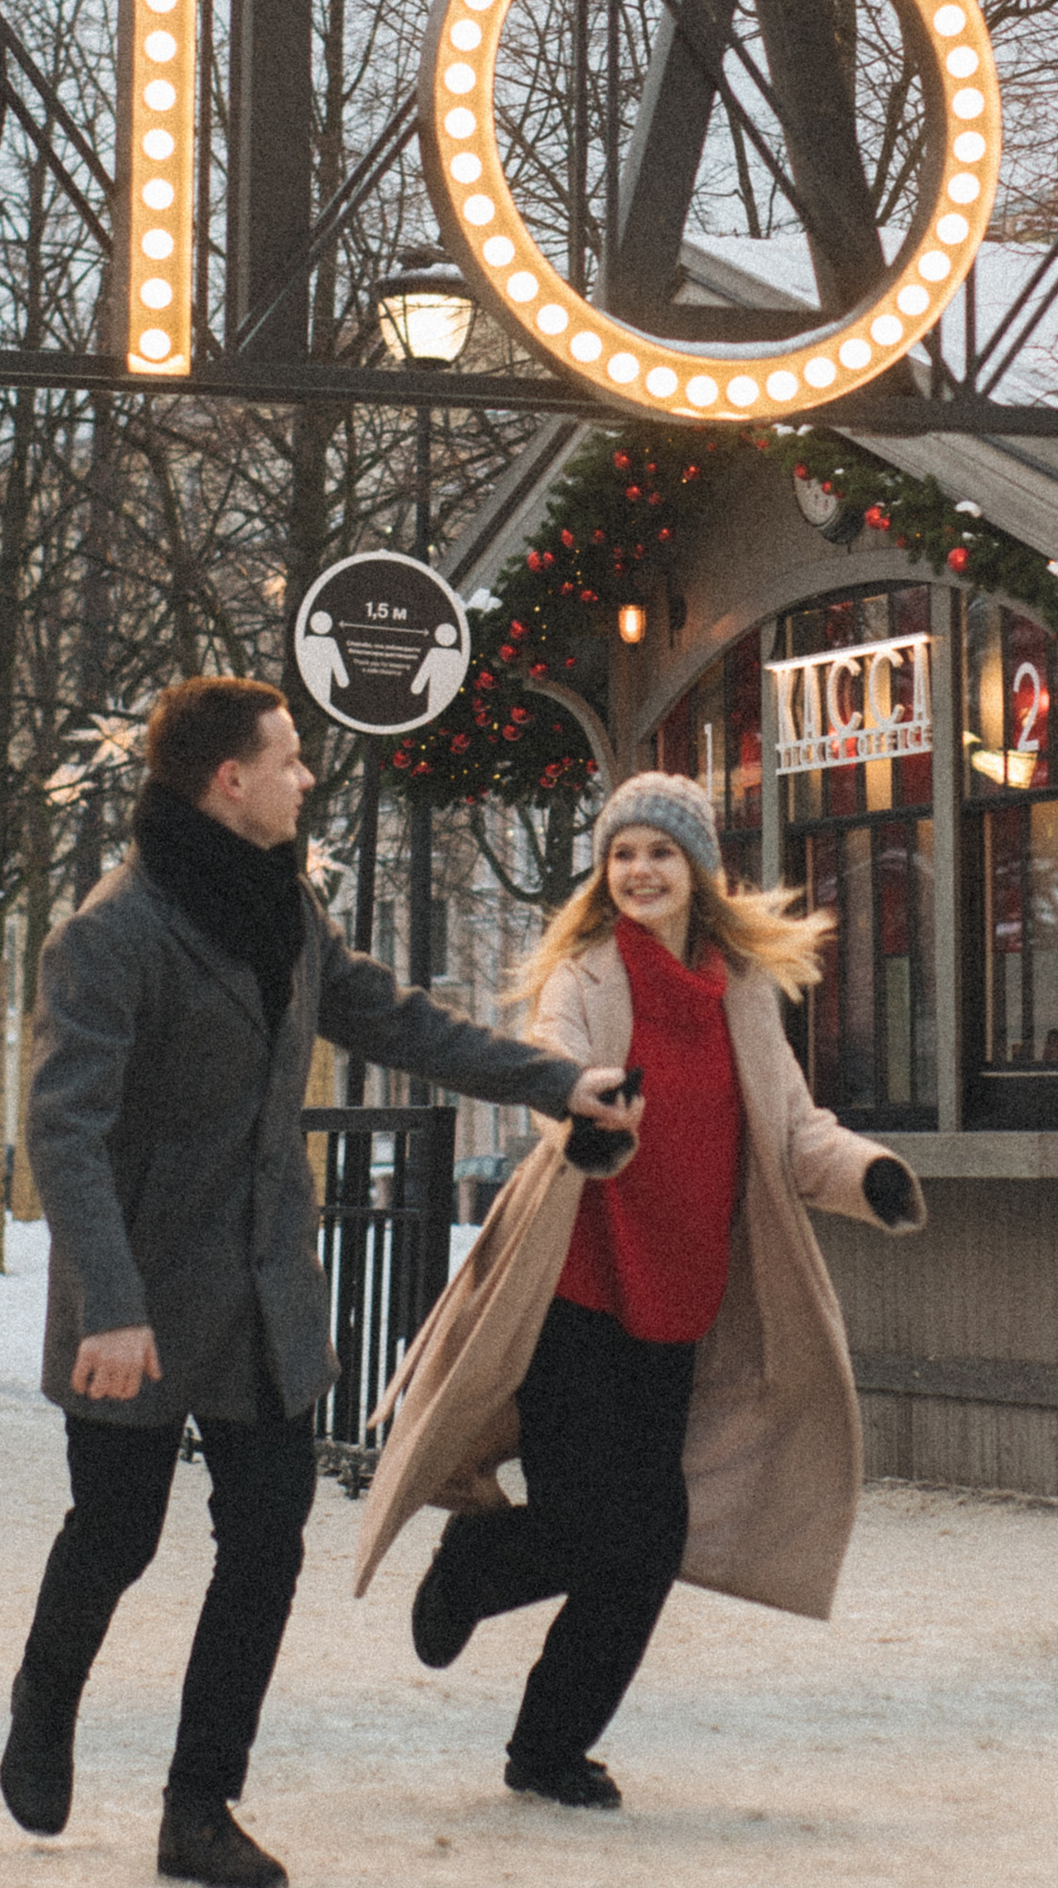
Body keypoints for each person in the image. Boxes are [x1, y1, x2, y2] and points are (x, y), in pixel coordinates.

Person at [3, 674, 635, 1888]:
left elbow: (393, 1020)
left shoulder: (283, 910)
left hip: (262, 1300)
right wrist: (115, 1306)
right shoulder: (110, 933)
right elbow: (64, 1134)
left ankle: (200, 1808)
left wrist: (555, 1085)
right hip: (136, 1304)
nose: (306, 778)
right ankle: (45, 1694)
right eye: (288, 759)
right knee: (118, 1533)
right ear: (227, 780)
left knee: (264, 1546)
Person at [353, 769, 926, 1811]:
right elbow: (552, 1070)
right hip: (577, 1286)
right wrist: (585, 1117)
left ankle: (542, 1731)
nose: (639, 871)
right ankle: (484, 1591)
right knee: (600, 1526)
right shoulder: (585, 974)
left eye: (659, 853)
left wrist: (868, 1175)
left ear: (699, 871)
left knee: (645, 1542)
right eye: (622, 854)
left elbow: (794, 1132)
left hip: (679, 1302)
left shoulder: (741, 992)